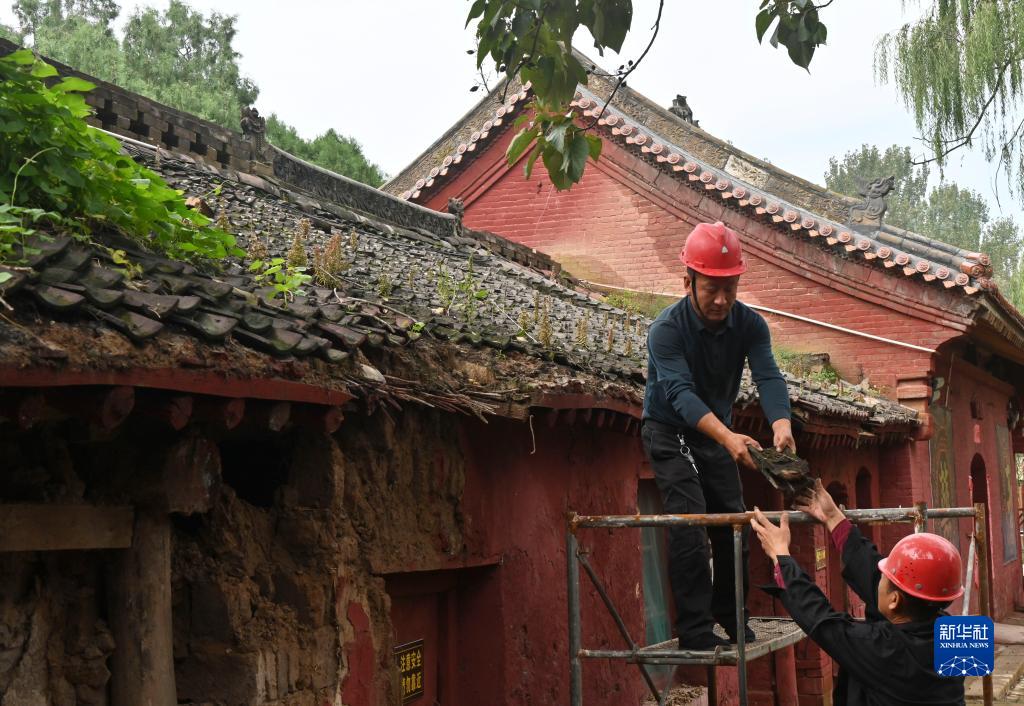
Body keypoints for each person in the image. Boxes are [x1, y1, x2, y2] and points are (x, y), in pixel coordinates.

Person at [642, 221, 796, 650]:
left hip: (716, 434)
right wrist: (729, 438)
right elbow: (681, 394)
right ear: (688, 281)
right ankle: (694, 628)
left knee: (733, 521)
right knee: (690, 522)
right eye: (712, 288)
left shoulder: (750, 325)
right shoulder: (667, 330)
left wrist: (781, 423)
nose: (722, 299)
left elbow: (768, 375)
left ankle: (733, 615)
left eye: (730, 288)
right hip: (669, 431)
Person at [749, 480, 966, 705]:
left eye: (885, 577)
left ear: (894, 600)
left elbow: (822, 620)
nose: (878, 577)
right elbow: (873, 576)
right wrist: (834, 518)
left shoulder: (883, 650)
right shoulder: (957, 634)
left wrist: (781, 556)